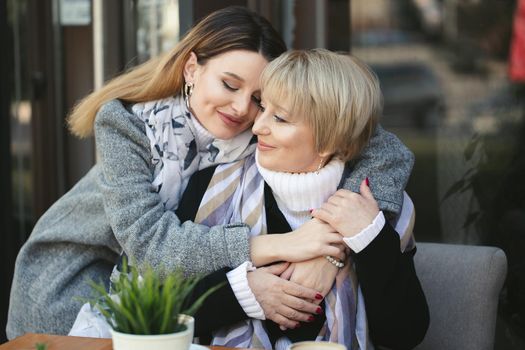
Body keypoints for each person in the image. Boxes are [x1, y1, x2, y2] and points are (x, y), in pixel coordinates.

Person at [7, 7, 414, 339]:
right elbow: (154, 248)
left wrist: (333, 249)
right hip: (73, 284)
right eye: (228, 84)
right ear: (191, 69)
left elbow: (374, 145)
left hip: (156, 289)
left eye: (258, 97)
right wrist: (287, 245)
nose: (242, 110)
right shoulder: (128, 126)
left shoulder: (262, 131)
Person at [71, 49, 428, 350]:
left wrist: (363, 241)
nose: (257, 126)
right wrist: (243, 292)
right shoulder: (213, 186)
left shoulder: (373, 206)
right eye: (264, 107)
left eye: (281, 118)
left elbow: (405, 333)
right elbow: (157, 310)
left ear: (331, 142)